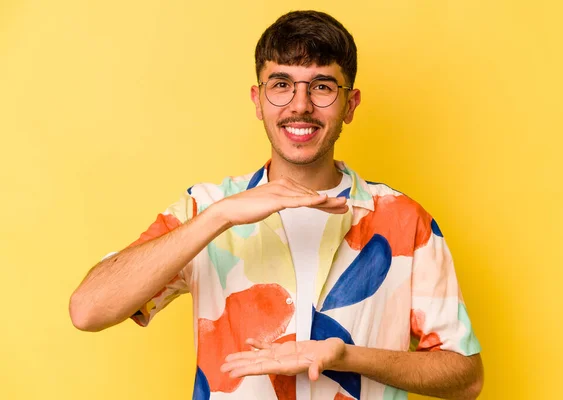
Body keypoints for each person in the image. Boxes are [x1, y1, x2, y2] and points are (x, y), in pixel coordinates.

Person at [69, 10, 483, 400]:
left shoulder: (404, 219)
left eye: (321, 86)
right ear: (257, 99)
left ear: (350, 104)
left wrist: (346, 357)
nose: (300, 105)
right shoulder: (207, 207)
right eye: (281, 84)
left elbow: (466, 377)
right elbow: (88, 310)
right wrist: (221, 216)